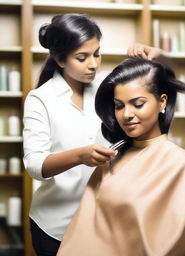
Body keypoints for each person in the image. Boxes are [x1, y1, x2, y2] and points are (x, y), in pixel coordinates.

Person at [23, 13, 163, 256]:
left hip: (102, 221)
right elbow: (34, 164)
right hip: (55, 227)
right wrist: (80, 156)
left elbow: (157, 94)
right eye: (82, 57)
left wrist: (156, 57)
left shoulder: (106, 88)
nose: (93, 64)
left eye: (97, 53)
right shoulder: (40, 99)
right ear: (59, 59)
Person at [57, 57, 185, 256]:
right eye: (119, 105)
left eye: (138, 104)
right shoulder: (111, 159)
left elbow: (178, 241)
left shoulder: (180, 162)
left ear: (162, 102)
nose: (126, 114)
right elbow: (81, 232)